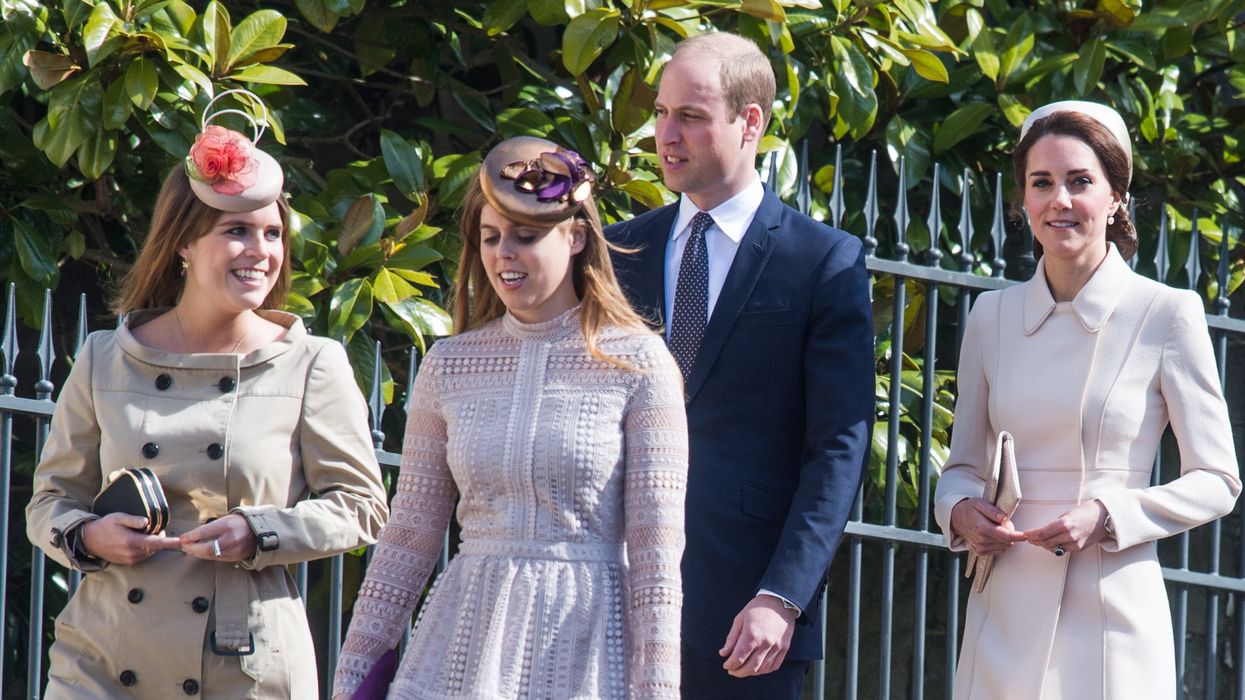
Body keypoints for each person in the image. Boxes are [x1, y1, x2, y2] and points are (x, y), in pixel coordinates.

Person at [25, 93, 389, 698]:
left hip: (242, 666)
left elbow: (361, 507)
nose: (263, 252)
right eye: (238, 231)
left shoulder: (310, 362)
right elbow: (50, 502)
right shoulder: (104, 357)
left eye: (273, 233)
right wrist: (88, 536)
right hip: (104, 661)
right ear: (184, 245)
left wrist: (260, 532)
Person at [332, 136, 688, 699]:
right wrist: (353, 673)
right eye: (491, 237)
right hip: (462, 645)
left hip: (589, 650)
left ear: (575, 237)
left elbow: (657, 556)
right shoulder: (449, 364)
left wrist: (659, 687)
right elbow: (409, 537)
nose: (504, 254)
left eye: (525, 237)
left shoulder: (639, 363)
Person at [934, 101, 1241, 698]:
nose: (1060, 201)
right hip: (1003, 616)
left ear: (1116, 196)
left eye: (1081, 181)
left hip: (1113, 619)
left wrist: (1108, 515)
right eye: (1041, 183)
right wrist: (961, 513)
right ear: (1023, 200)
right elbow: (962, 468)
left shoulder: (1166, 313)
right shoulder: (990, 317)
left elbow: (1219, 479)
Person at [607, 33, 875, 697]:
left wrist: (781, 597)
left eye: (690, 117)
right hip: (608, 595)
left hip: (743, 619)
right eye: (662, 113)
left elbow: (838, 447)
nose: (664, 135)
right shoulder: (617, 253)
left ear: (749, 121)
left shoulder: (821, 262)